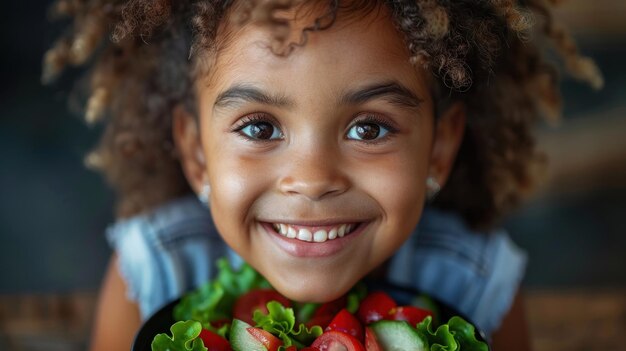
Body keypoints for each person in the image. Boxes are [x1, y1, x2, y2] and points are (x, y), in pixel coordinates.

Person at [42, 0, 602, 350]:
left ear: (439, 148)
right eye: (260, 128)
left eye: (368, 130)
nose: (311, 180)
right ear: (196, 153)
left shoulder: (474, 280)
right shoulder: (156, 269)